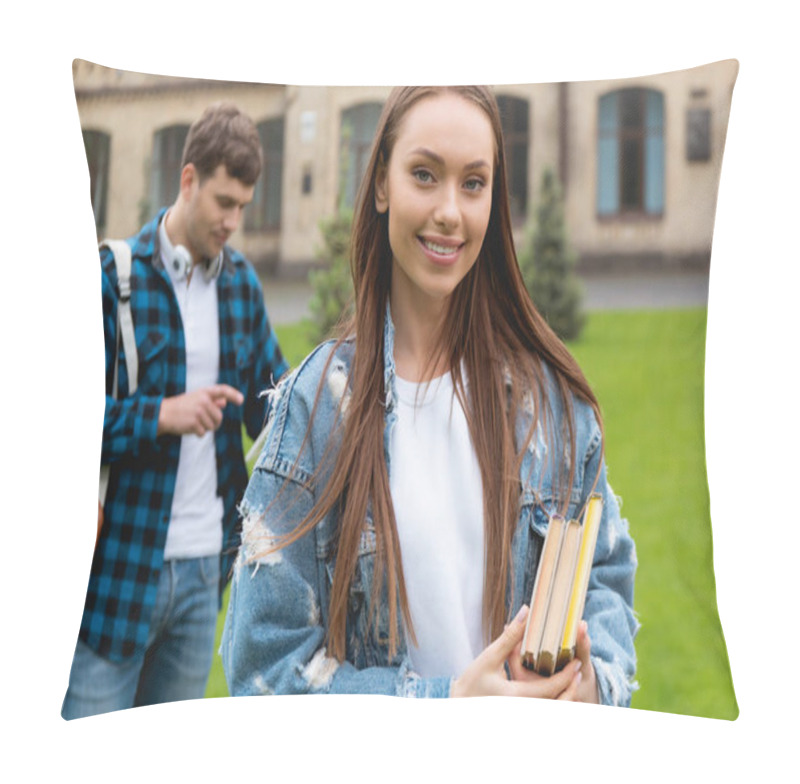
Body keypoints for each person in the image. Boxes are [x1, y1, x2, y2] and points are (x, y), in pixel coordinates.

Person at [221, 86, 637, 704]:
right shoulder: (315, 411)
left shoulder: (546, 400)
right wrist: (448, 706)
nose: (450, 211)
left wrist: (592, 684)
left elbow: (604, 574)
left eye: (474, 183)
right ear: (383, 185)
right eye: (424, 174)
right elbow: (263, 671)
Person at [62, 102, 289, 719]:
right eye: (223, 201)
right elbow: (61, 425)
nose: (234, 221)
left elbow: (278, 403)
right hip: (117, 573)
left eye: (244, 206)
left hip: (202, 575)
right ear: (187, 180)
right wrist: (163, 414)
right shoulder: (114, 278)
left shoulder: (241, 284)